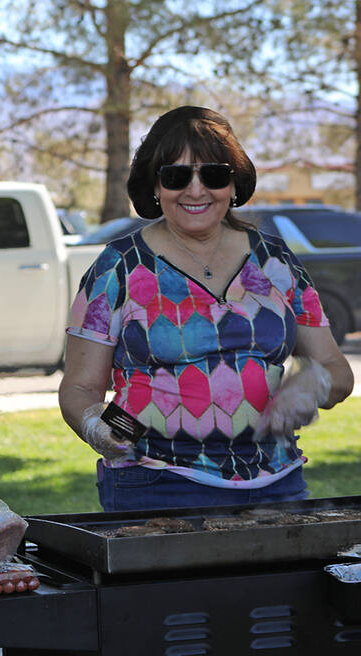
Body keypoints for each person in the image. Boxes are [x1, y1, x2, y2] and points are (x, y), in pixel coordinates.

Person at [59, 106, 353, 511]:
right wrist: (113, 431)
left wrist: (315, 382)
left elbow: (338, 370)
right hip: (155, 485)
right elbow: (79, 389)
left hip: (278, 486)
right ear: (156, 186)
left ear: (233, 184)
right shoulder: (117, 267)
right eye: (177, 176)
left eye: (213, 174)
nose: (196, 190)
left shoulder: (277, 261)